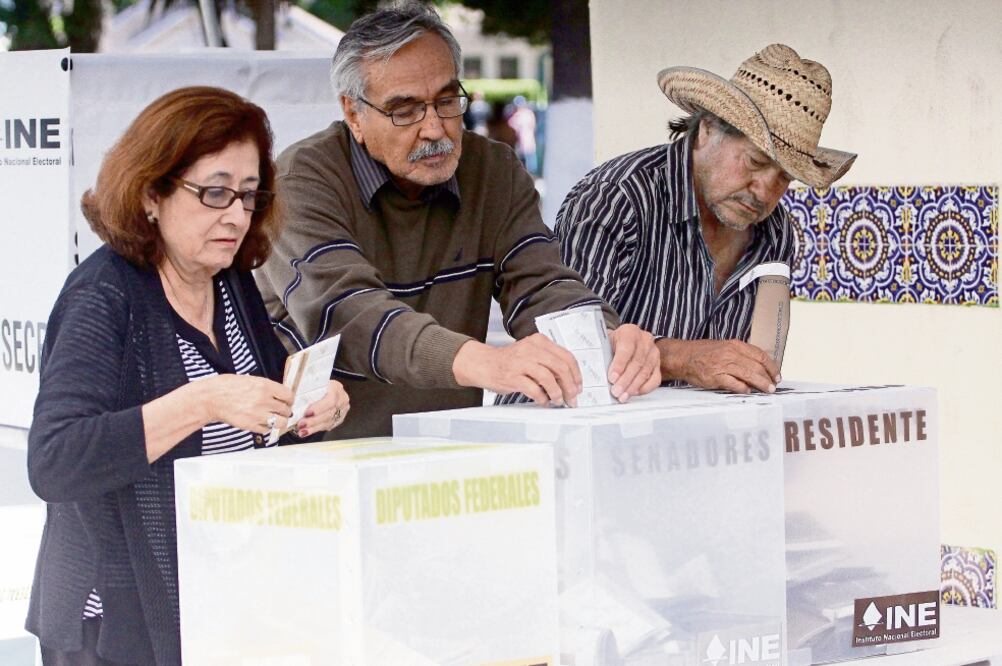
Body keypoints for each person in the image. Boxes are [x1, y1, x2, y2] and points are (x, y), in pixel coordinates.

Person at [26, 86, 350, 666]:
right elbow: (54, 460)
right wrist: (202, 402)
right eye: (215, 192)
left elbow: (257, 412)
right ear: (152, 194)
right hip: (116, 626)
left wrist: (311, 408)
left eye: (248, 196)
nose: (235, 215)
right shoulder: (104, 296)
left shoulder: (229, 280)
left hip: (219, 600)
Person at [254, 2, 660, 438]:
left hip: (445, 455)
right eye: (405, 110)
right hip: (319, 461)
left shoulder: (493, 169)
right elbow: (349, 315)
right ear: (353, 114)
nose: (435, 129)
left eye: (447, 100)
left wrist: (602, 337)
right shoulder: (301, 182)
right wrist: (489, 362)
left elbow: (540, 284)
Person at [556, 44, 856, 393]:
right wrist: (684, 359)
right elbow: (569, 344)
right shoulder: (615, 198)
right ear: (707, 129)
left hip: (690, 440)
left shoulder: (776, 233)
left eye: (785, 177)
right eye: (755, 162)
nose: (764, 190)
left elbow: (753, 368)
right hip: (566, 434)